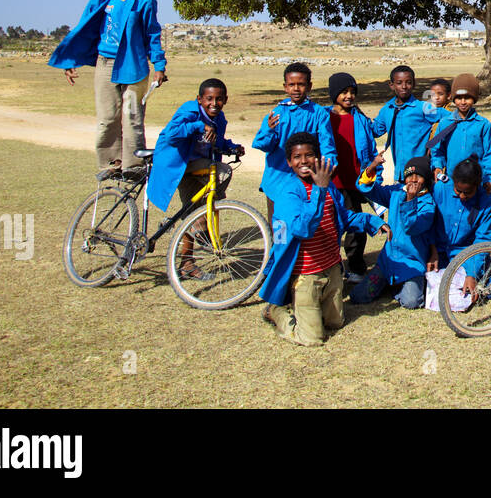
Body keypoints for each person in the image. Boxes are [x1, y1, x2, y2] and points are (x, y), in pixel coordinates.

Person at [48, 0, 167, 174]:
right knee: (107, 119)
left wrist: (159, 66)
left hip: (135, 66)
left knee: (132, 117)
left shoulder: (146, 0)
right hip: (106, 65)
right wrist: (70, 60)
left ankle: (134, 166)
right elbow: (83, 28)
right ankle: (111, 164)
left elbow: (153, 34)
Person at [259, 133, 378, 347]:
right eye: (297, 157)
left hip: (331, 268)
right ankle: (276, 311)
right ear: (289, 162)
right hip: (306, 275)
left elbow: (345, 217)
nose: (303, 161)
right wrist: (319, 191)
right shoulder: (288, 192)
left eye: (309, 155)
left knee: (335, 323)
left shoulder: (327, 186)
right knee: (313, 339)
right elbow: (302, 229)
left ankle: (311, 307)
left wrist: (373, 222)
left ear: (318, 157)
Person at [146, 78, 245, 280]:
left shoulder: (220, 118)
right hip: (180, 164)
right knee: (222, 172)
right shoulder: (190, 111)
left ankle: (187, 264)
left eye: (219, 99)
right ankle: (198, 225)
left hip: (199, 166)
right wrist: (198, 126)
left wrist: (231, 147)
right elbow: (172, 135)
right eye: (209, 99)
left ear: (225, 100)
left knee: (193, 213)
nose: (214, 103)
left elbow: (215, 142)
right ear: (199, 99)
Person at [349, 157, 438, 310]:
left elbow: (411, 227)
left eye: (419, 176)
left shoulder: (428, 204)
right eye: (410, 176)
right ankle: (392, 282)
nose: (414, 180)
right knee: (358, 296)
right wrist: (372, 166)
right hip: (389, 260)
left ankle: (398, 285)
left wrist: (410, 200)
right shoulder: (396, 193)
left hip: (412, 262)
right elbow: (367, 188)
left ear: (426, 178)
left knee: (411, 302)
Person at [252, 63, 336, 225]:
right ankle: (276, 251)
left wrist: (327, 167)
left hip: (307, 178)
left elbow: (327, 144)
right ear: (285, 87)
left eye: (301, 84)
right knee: (278, 227)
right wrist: (269, 130)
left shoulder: (318, 113)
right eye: (291, 85)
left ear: (309, 86)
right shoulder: (276, 114)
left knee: (306, 224)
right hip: (278, 179)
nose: (296, 89)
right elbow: (262, 144)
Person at [323, 72, 380, 280]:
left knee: (357, 227)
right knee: (334, 226)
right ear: (334, 94)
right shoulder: (323, 117)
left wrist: (375, 175)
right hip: (334, 182)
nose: (349, 96)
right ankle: (333, 267)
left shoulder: (360, 119)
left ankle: (355, 268)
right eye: (344, 92)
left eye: (352, 92)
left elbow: (372, 148)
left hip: (356, 180)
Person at [432, 154, 491, 295]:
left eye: (467, 192)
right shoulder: (440, 189)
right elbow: (429, 224)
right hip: (438, 252)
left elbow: (483, 239)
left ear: (478, 185)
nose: (462, 196)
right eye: (458, 191)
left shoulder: (487, 202)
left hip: (465, 255)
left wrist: (472, 273)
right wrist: (432, 249)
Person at [369, 65, 443, 178]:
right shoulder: (387, 109)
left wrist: (433, 142)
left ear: (414, 84)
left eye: (408, 82)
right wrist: (358, 116)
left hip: (420, 172)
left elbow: (451, 118)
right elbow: (375, 131)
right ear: (391, 85)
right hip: (399, 173)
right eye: (399, 83)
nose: (404, 86)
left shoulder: (422, 107)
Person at [428, 74, 491, 187]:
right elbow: (437, 150)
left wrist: (488, 178)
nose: (463, 102)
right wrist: (438, 166)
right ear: (453, 98)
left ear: (474, 98)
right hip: (450, 182)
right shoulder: (445, 123)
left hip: (476, 183)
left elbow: (489, 154)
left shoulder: (483, 124)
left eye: (467, 98)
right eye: (459, 98)